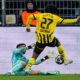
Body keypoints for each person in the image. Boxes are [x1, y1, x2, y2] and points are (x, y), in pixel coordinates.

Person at [26, 5, 80, 72]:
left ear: (46, 10)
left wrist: (28, 27)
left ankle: (28, 68)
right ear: (54, 12)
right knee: (58, 43)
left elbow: (30, 16)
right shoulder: (55, 17)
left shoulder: (40, 15)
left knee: (34, 55)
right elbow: (65, 21)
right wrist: (76, 20)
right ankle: (65, 59)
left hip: (40, 41)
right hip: (49, 40)